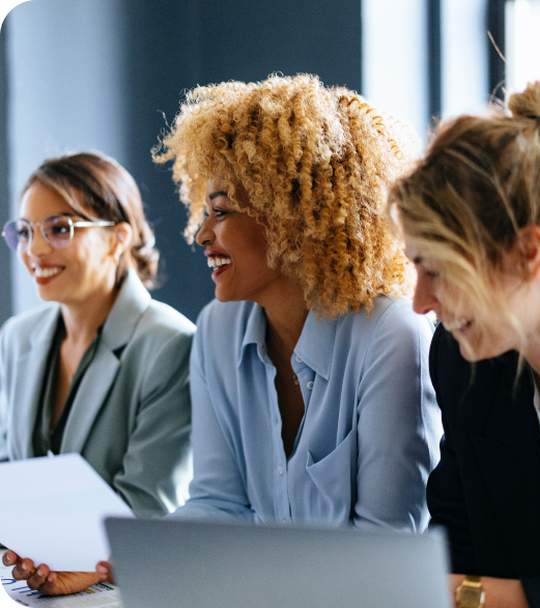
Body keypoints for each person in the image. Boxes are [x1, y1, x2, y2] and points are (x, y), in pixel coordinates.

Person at [151, 73, 442, 528]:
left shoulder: (391, 337)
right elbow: (218, 504)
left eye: (222, 211)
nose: (203, 234)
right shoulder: (215, 329)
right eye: (206, 213)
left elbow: (385, 545)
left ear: (290, 216)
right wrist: (114, 561)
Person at [389, 79, 540, 608]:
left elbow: (460, 588)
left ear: (527, 253)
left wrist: (481, 597)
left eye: (437, 270)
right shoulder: (460, 363)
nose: (420, 302)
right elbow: (454, 550)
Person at [0, 151, 195, 594]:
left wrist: (80, 569)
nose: (35, 250)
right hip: (31, 585)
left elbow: (149, 506)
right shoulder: (17, 338)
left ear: (117, 238)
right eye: (26, 232)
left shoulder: (170, 344)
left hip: (127, 588)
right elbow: (10, 474)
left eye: (59, 229)